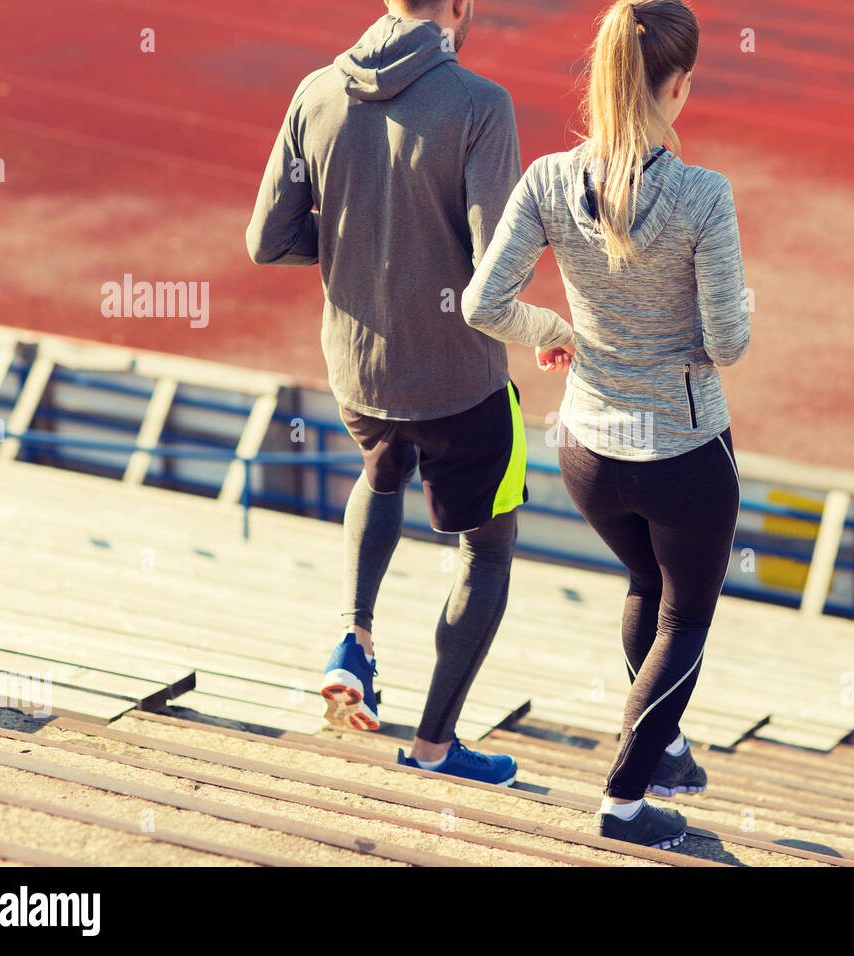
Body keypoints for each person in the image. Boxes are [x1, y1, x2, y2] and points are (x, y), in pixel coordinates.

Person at [463, 0, 749, 847]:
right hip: (685, 453)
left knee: (646, 588)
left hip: (586, 451)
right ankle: (625, 801)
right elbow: (729, 340)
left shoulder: (549, 179)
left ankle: (661, 750)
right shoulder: (704, 196)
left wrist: (557, 332)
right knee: (684, 619)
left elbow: (483, 302)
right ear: (680, 85)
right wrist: (680, 342)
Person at [246, 0, 525, 786]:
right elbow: (493, 263)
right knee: (487, 554)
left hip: (361, 374)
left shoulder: (314, 93)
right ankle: (436, 745)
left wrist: (350, 247)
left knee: (382, 469)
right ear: (461, 9)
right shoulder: (480, 106)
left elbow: (267, 240)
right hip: (461, 382)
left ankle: (354, 638)